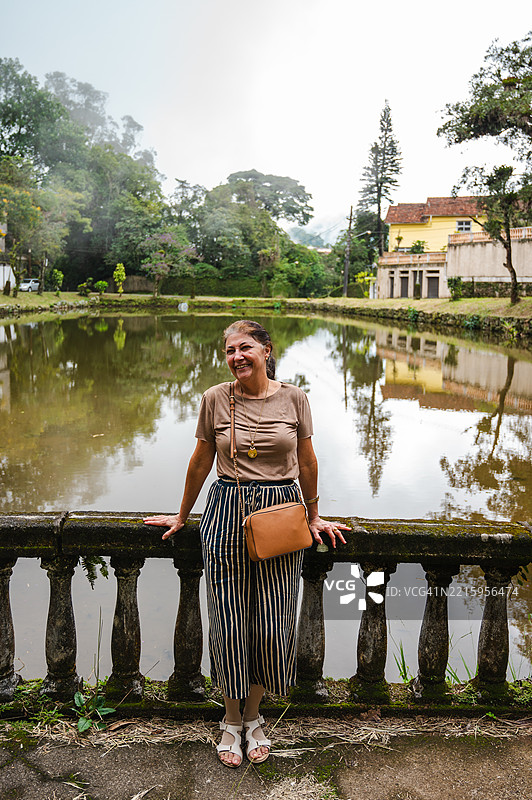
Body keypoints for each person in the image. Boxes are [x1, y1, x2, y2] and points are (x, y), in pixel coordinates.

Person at [144, 320, 349, 768]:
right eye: (229, 349)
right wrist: (181, 515)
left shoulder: (295, 397)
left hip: (281, 516)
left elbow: (309, 460)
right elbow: (200, 460)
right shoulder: (215, 398)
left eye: (245, 347)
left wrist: (314, 515)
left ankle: (255, 717)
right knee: (230, 622)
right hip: (226, 512)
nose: (237, 356)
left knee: (273, 623)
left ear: (266, 350)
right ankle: (231, 719)